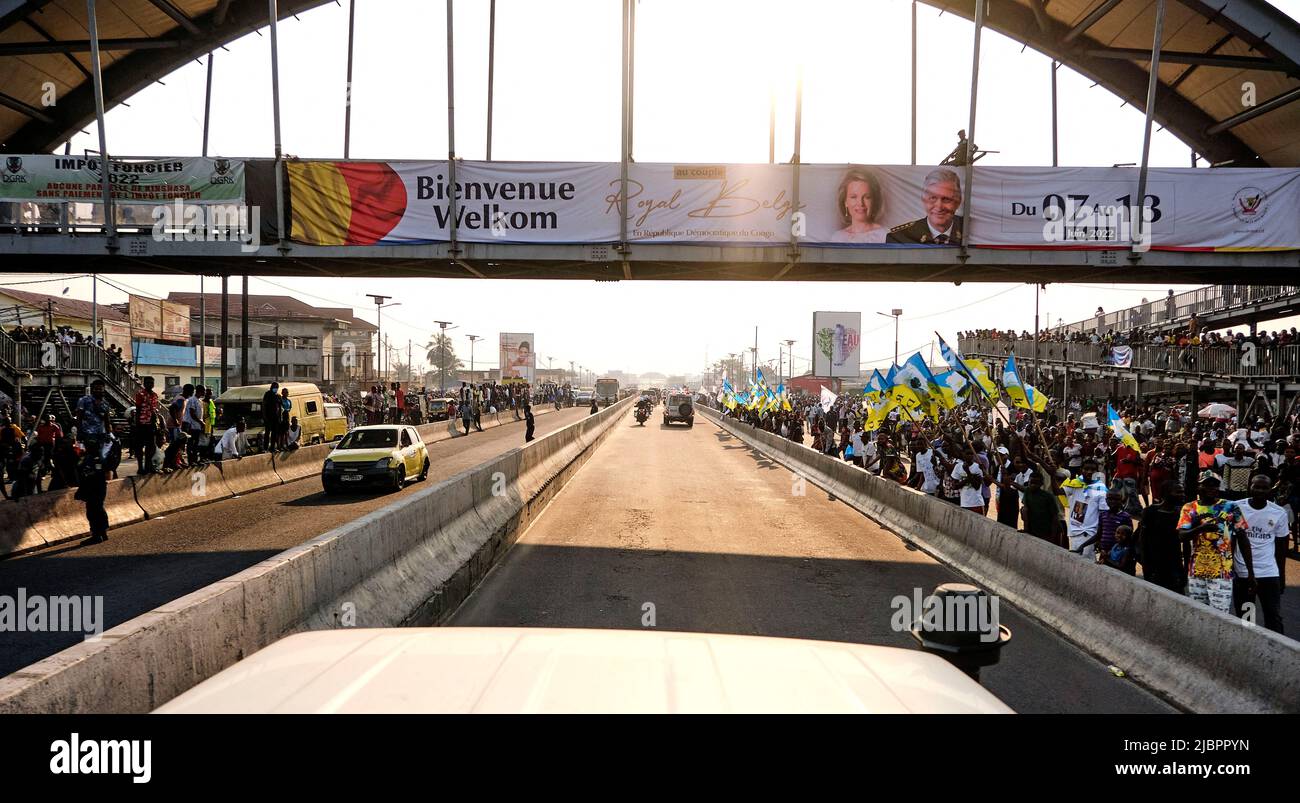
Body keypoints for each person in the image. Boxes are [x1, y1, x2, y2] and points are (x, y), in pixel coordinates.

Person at [1178, 471, 1252, 615]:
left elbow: (1243, 539)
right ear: (1198, 487)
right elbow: (1182, 536)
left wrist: (1251, 572)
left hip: (1222, 573)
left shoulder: (1230, 506)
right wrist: (1201, 528)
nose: (1211, 488)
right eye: (1207, 484)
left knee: (1220, 616)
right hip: (1196, 572)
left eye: (1215, 485)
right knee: (1199, 614)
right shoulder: (1189, 508)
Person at [1233, 474, 1287, 633]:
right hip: (1243, 574)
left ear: (1271, 490)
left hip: (1268, 573)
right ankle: (1247, 649)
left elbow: (1281, 549)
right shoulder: (1237, 508)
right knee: (1246, 619)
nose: (1260, 490)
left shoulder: (1279, 513)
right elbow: (1231, 541)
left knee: (1273, 617)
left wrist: (1281, 576)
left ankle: (1276, 651)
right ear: (1250, 486)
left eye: (1265, 488)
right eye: (1257, 486)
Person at [886, 168, 964, 244]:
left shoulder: (972, 230)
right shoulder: (899, 238)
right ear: (924, 200)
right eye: (933, 198)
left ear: (958, 202)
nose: (939, 207)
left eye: (946, 199)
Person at [1136, 481, 1186, 593]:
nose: (1182, 495)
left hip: (1174, 565)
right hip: (1154, 565)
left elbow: (1184, 543)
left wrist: (1184, 569)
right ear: (1166, 494)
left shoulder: (1180, 513)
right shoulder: (1150, 512)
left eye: (1182, 492)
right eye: (1178, 492)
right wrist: (1146, 567)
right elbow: (1142, 540)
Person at [829, 166, 887, 243]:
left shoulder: (885, 235)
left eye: (867, 197)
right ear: (845, 202)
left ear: (874, 201)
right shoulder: (837, 238)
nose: (860, 203)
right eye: (853, 197)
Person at [133, 376, 160, 475]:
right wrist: (137, 425)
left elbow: (154, 410)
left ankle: (148, 466)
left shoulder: (155, 395)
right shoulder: (140, 394)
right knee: (139, 447)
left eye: (151, 383)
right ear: (144, 384)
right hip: (141, 424)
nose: (150, 384)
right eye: (148, 382)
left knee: (151, 447)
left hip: (151, 424)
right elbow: (138, 409)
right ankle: (140, 467)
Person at [261, 382, 281, 449]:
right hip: (268, 417)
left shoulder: (278, 396)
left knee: (274, 433)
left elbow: (280, 407)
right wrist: (264, 416)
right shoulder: (267, 394)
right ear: (271, 387)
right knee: (267, 433)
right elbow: (263, 405)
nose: (275, 389)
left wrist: (279, 418)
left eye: (276, 387)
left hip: (276, 418)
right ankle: (265, 448)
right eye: (274, 387)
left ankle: (272, 447)